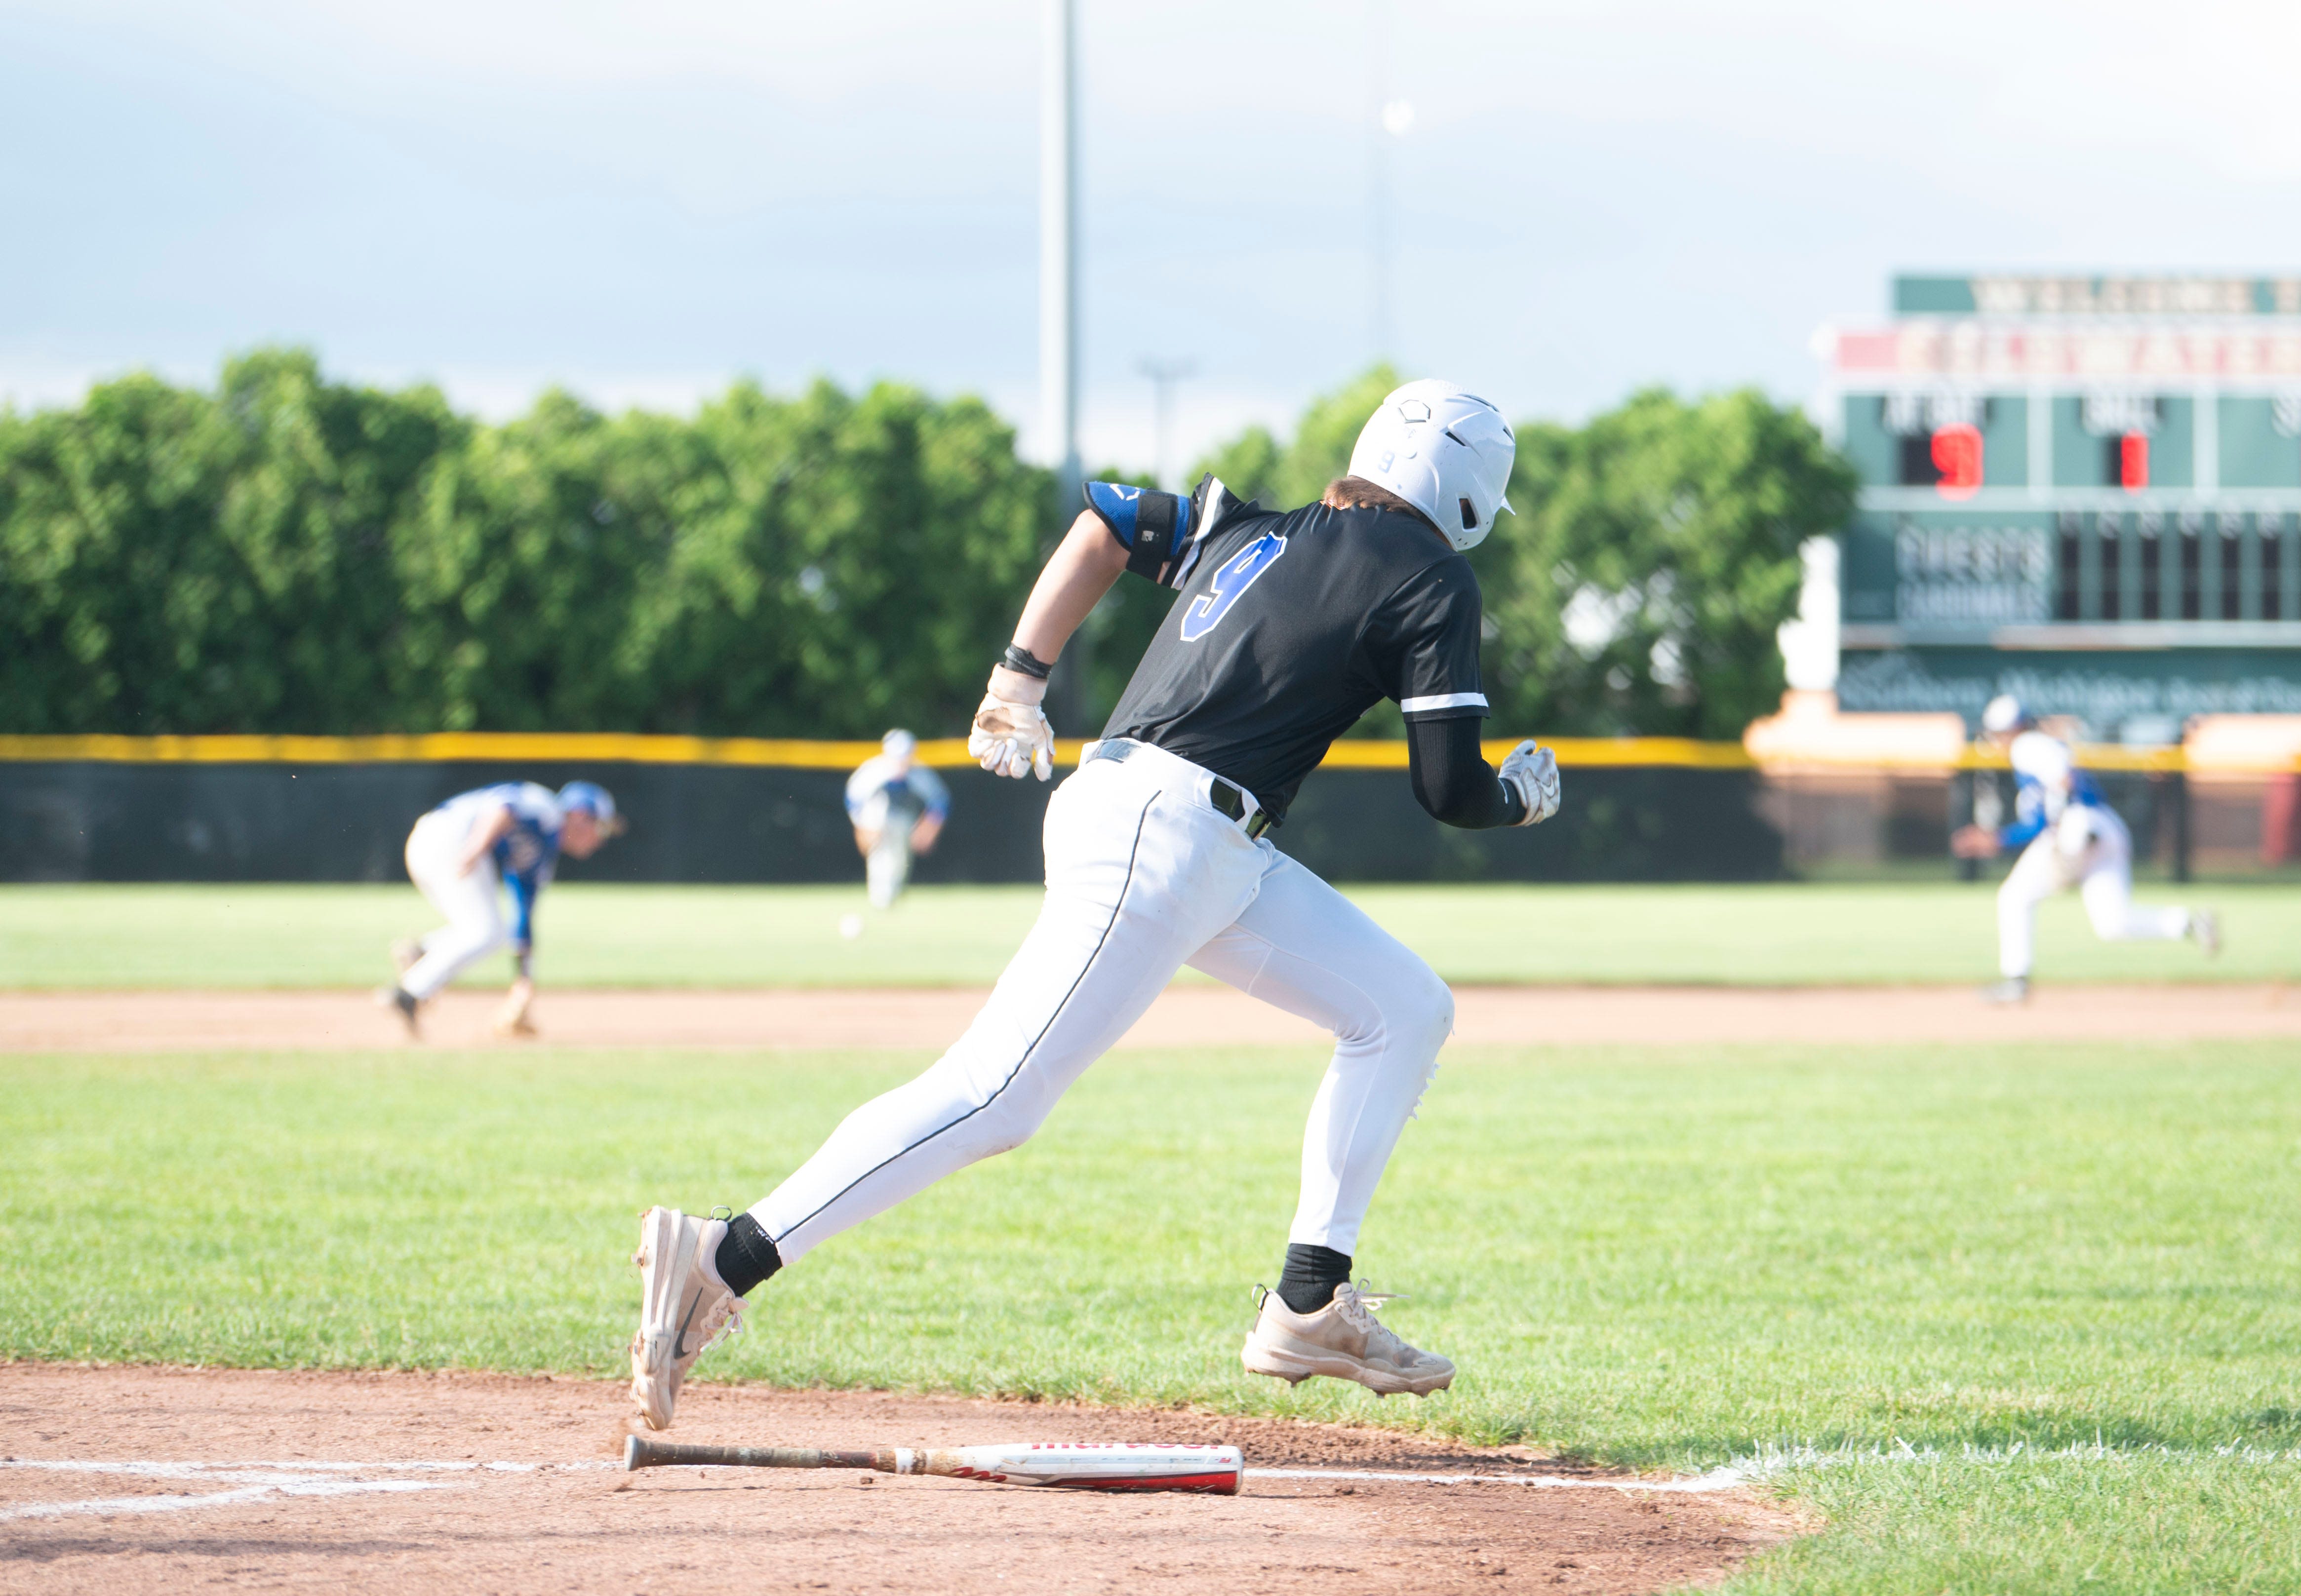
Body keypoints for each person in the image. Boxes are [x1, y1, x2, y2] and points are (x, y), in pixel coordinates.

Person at [629, 379, 1561, 1430]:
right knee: (995, 1094)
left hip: (1184, 834)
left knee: (1402, 1006)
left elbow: (1106, 523)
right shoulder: (1430, 570)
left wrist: (1018, 676)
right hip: (1169, 836)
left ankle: (1308, 1297)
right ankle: (727, 1249)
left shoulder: (1251, 525)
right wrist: (1517, 798)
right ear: (1469, 495)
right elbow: (1448, 788)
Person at [1950, 696, 2217, 1003]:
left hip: (2080, 825)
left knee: (2014, 897)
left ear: (2013, 729)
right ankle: (2189, 923)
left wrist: (2066, 829)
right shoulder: (2035, 754)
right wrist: (1999, 839)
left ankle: (2016, 980)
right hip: (2107, 829)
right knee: (2113, 924)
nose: (1998, 740)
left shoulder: (2027, 746)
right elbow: (2039, 820)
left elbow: (2063, 779)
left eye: (2000, 733)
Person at [378, 780, 626, 1038]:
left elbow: (523, 918)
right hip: (450, 838)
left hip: (435, 843)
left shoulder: (540, 852)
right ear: (580, 816)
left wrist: (524, 983)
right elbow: (504, 807)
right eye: (601, 828)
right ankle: (408, 993)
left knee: (487, 931)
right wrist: (476, 847)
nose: (600, 840)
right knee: (486, 932)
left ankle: (423, 952)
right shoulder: (547, 808)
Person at [844, 729, 950, 909]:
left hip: (904, 819)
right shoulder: (874, 770)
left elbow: (941, 801)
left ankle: (893, 891)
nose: (901, 762)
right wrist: (862, 827)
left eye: (905, 756)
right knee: (880, 851)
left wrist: (929, 827)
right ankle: (879, 895)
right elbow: (853, 800)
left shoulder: (919, 773)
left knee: (899, 858)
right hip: (875, 817)